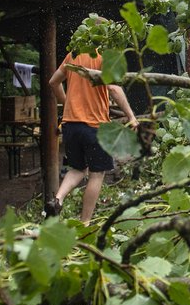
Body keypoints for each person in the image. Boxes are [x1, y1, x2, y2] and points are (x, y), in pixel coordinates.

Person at [45, 50, 138, 222]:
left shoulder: (73, 54)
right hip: (95, 126)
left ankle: (57, 199)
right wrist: (131, 116)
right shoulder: (105, 56)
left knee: (78, 169)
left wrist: (67, 104)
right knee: (97, 174)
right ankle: (85, 223)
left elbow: (53, 82)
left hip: (70, 125)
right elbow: (114, 88)